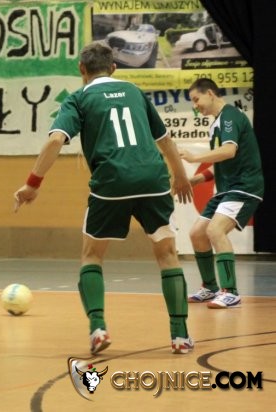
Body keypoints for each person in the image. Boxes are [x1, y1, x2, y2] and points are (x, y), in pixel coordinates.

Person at [13, 42, 194, 355]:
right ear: (114, 68)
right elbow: (165, 140)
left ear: (82, 70)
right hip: (153, 180)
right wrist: (180, 176)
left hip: (111, 182)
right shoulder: (135, 92)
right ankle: (180, 336)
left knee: (92, 256)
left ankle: (98, 328)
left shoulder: (79, 98)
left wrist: (32, 184)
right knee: (167, 255)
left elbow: (55, 141)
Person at [180, 78, 263, 309]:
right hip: (227, 188)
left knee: (215, 230)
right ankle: (210, 288)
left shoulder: (229, 116)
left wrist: (194, 158)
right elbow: (223, 162)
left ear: (210, 93)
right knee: (197, 233)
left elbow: (228, 151)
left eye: (196, 99)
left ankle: (231, 292)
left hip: (244, 186)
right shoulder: (216, 123)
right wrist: (197, 179)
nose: (195, 106)